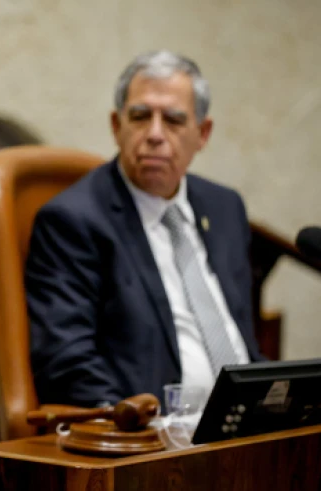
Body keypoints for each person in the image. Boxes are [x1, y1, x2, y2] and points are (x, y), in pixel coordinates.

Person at [24, 50, 262, 409]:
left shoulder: (225, 208)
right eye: (139, 116)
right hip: (152, 439)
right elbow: (67, 363)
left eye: (173, 120)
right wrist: (137, 430)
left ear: (203, 133)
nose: (154, 134)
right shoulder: (73, 221)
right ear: (116, 127)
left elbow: (244, 337)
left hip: (245, 427)